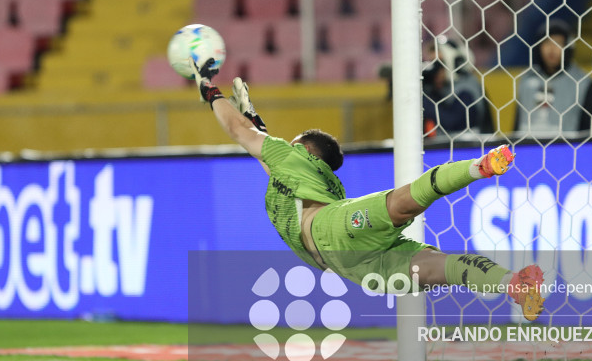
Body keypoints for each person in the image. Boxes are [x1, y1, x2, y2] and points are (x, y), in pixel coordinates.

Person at [189, 59, 544, 321]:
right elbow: (264, 152)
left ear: (304, 149)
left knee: (403, 205)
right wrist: (256, 121)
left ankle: (476, 168)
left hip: (334, 238)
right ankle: (514, 283)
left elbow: (240, 132)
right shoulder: (308, 174)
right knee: (441, 269)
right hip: (354, 260)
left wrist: (209, 89)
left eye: (292, 143)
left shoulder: (291, 157)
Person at [514, 19, 592, 135]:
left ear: (568, 46)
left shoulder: (583, 83)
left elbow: (590, 132)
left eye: (558, 43)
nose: (552, 49)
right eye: (547, 42)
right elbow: (517, 127)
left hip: (567, 151)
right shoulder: (526, 81)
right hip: (530, 151)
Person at [422, 37, 494, 138]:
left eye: (440, 63)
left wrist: (422, 97)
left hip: (471, 149)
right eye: (432, 63)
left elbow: (454, 123)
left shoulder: (467, 88)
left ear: (456, 62)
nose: (435, 70)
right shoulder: (441, 89)